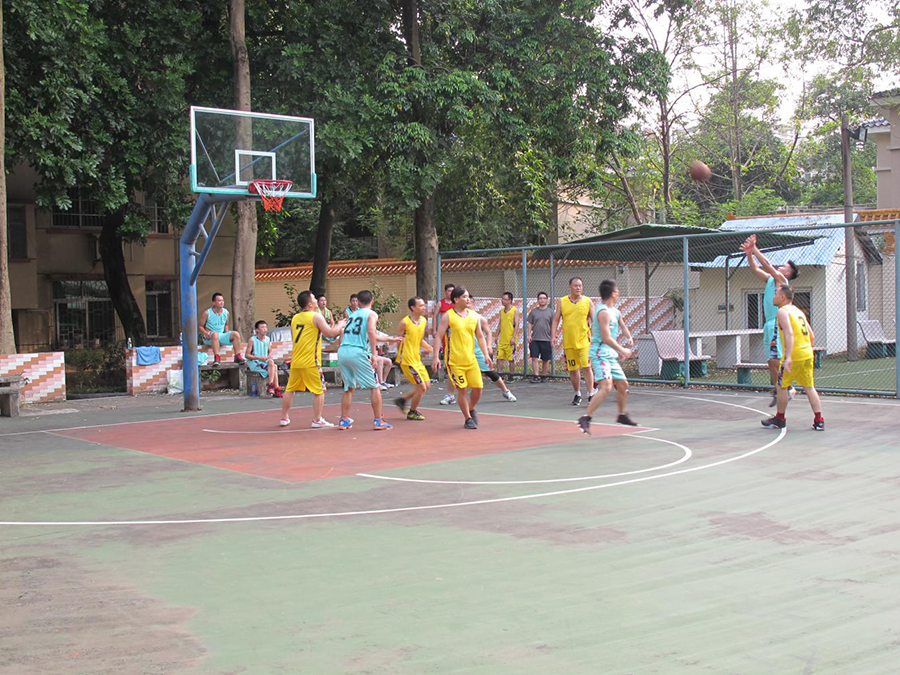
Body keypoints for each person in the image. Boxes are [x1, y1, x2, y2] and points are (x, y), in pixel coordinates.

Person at [741, 234, 800, 406]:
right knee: (770, 361)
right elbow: (755, 269)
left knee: (776, 358)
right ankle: (778, 389)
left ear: (788, 273)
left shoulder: (782, 281)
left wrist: (754, 248)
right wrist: (749, 255)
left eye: (785, 266)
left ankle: (787, 387)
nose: (781, 267)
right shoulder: (770, 280)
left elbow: (766, 264)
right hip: (768, 323)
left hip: (777, 322)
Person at [280, 290, 346, 428]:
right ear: (310, 304)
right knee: (319, 390)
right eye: (314, 298)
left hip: (296, 360)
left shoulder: (295, 318)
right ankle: (317, 419)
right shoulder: (316, 316)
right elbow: (330, 333)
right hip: (311, 361)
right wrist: (340, 324)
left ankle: (284, 417)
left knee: (290, 389)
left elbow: (294, 337)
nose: (317, 300)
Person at [762, 284, 824, 431]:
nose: (773, 296)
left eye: (776, 294)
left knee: (781, 386)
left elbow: (789, 332)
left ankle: (780, 418)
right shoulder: (798, 311)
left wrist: (789, 357)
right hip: (807, 353)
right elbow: (812, 335)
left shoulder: (782, 311)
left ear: (782, 297)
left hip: (794, 355)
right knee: (809, 387)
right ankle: (819, 421)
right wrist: (805, 349)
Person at [578, 280, 637, 434]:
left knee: (623, 385)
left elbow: (620, 328)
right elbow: (606, 338)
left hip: (609, 354)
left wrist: (626, 340)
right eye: (617, 291)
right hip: (600, 354)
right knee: (606, 387)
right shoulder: (602, 312)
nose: (618, 293)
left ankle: (622, 415)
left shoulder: (615, 312)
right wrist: (622, 350)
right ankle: (585, 418)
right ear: (613, 293)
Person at [432, 286, 491, 429]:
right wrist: (435, 357)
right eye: (464, 297)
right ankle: (467, 418)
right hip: (454, 361)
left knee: (478, 388)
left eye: (468, 296)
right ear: (456, 299)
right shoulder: (448, 316)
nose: (468, 299)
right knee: (462, 390)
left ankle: (470, 408)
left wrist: (486, 354)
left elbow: (480, 336)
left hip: (471, 360)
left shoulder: (474, 316)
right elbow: (439, 336)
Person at [337, 290, 393, 430]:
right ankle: (378, 420)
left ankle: (344, 420)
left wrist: (390, 338)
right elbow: (371, 332)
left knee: (349, 387)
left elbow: (370, 334)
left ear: (359, 302)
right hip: (358, 352)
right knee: (375, 386)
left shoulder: (352, 315)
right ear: (372, 301)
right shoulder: (371, 314)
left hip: (343, 351)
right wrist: (374, 354)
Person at [552, 277, 595, 405]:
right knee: (573, 369)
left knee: (587, 367)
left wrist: (597, 338)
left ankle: (591, 394)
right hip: (569, 342)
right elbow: (556, 319)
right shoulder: (562, 301)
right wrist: (553, 336)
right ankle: (577, 394)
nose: (578, 288)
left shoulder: (587, 301)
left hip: (584, 341)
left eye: (580, 285)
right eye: (575, 285)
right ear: (570, 286)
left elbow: (595, 321)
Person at [469, 296, 516, 402]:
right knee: (454, 373)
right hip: (463, 352)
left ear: (473, 304)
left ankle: (506, 391)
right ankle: (451, 395)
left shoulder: (479, 318)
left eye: (469, 302)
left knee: (490, 372)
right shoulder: (456, 317)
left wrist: (489, 346)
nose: (467, 304)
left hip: (477, 351)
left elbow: (488, 333)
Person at [394, 296, 432, 420]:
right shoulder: (405, 322)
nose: (423, 307)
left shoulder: (423, 321)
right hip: (407, 360)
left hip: (417, 359)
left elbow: (420, 339)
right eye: (420, 305)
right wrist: (399, 356)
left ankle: (402, 400)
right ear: (413, 308)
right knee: (421, 387)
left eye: (424, 305)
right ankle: (412, 412)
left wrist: (429, 348)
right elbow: (399, 340)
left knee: (427, 385)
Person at [200, 292, 244, 364]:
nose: (222, 302)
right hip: (209, 337)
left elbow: (226, 324)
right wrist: (205, 333)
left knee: (236, 334)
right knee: (215, 334)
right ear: (214, 303)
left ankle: (237, 357)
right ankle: (217, 358)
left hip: (220, 335)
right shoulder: (207, 313)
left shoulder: (226, 312)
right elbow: (200, 326)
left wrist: (226, 331)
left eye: (222, 300)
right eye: (219, 301)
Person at [432, 283, 458, 406]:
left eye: (453, 290)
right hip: (445, 333)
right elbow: (434, 316)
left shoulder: (457, 304)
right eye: (449, 291)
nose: (450, 292)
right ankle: (451, 393)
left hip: (455, 335)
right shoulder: (441, 303)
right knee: (447, 354)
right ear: (445, 292)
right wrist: (434, 330)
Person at [244, 320, 283, 397]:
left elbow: (270, 350)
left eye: (266, 327)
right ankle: (276, 388)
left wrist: (269, 356)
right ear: (257, 330)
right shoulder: (252, 340)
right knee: (274, 368)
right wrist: (259, 358)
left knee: (272, 363)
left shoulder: (267, 339)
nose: (265, 329)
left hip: (264, 362)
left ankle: (271, 385)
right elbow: (247, 355)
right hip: (255, 362)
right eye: (262, 327)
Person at [527, 291, 554, 382]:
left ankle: (544, 376)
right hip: (535, 339)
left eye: (544, 298)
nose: (542, 300)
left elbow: (553, 325)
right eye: (540, 298)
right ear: (538, 300)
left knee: (546, 359)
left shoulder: (551, 312)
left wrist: (553, 336)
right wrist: (529, 335)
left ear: (547, 300)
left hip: (547, 339)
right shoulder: (533, 312)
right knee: (534, 357)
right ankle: (536, 375)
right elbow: (530, 323)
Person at [495, 292, 518, 381]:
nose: (503, 301)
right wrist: (496, 336)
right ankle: (499, 375)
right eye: (502, 299)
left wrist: (513, 337)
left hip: (510, 340)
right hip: (502, 340)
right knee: (499, 358)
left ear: (510, 301)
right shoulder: (501, 311)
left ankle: (511, 376)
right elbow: (500, 324)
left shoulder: (514, 310)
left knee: (511, 359)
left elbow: (517, 325)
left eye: (505, 299)